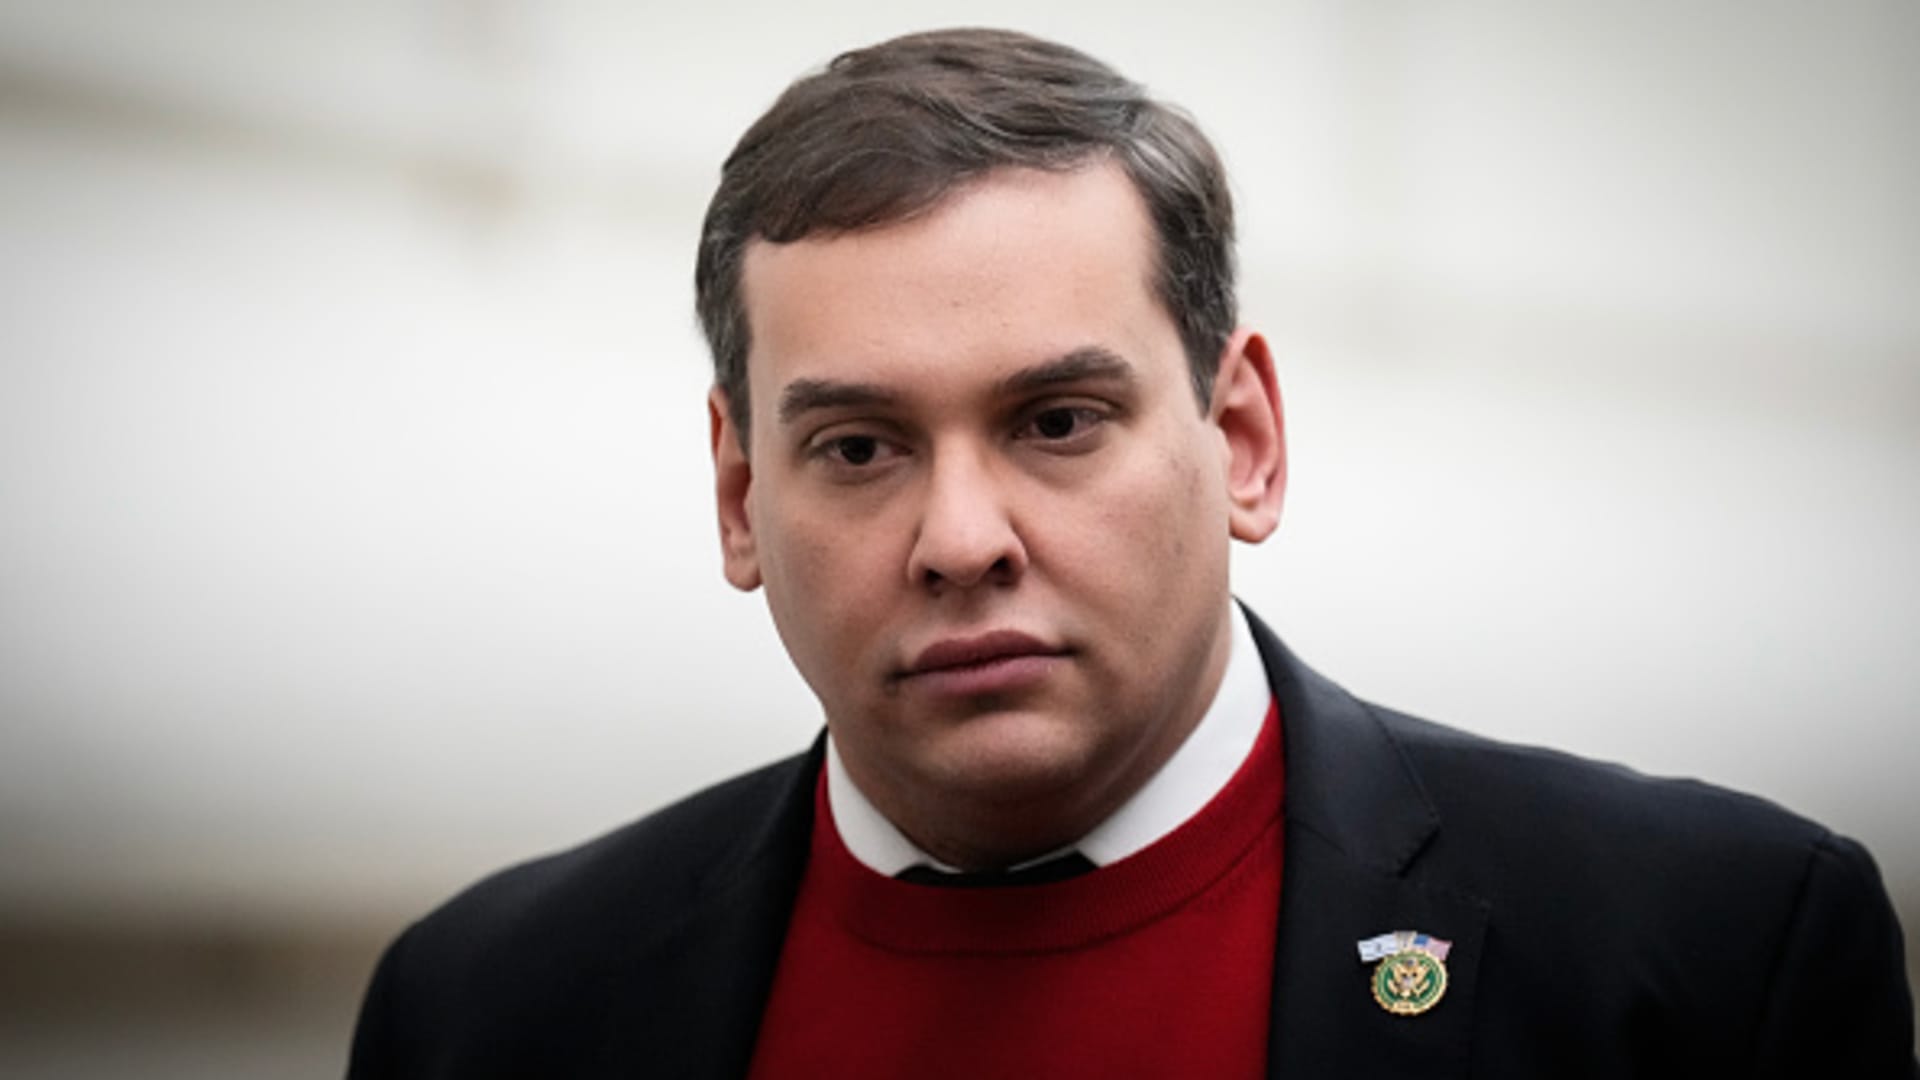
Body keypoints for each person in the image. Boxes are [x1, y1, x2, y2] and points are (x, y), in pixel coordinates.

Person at [347, 27, 1915, 1078]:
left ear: (1244, 440)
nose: (962, 541)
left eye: (1057, 421)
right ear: (741, 496)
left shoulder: (1709, 960)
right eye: (860, 448)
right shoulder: (488, 1012)